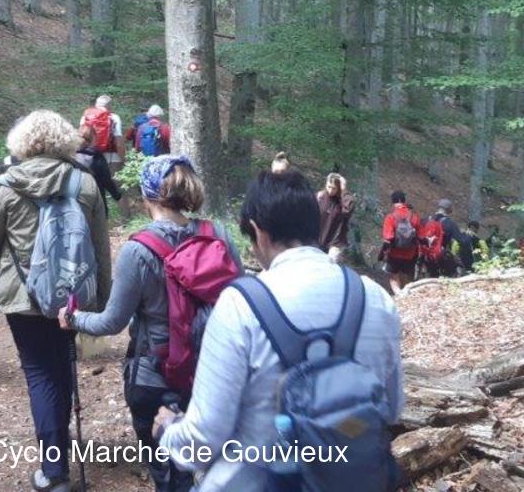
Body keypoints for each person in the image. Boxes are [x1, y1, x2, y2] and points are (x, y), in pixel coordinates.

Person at [154, 170, 403, 492]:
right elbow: (391, 409)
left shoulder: (240, 305)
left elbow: (201, 442)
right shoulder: (376, 299)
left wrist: (169, 430)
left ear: (258, 231)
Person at [58, 155, 239, 492]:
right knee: (212, 466)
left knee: (166, 472)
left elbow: (112, 322)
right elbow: (240, 302)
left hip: (155, 376)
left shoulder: (138, 250)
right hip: (214, 373)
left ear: (147, 196)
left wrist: (74, 318)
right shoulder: (218, 236)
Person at [0, 111, 112, 492]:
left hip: (21, 297)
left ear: (23, 141)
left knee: (39, 373)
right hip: (70, 296)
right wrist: (103, 297)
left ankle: (54, 470)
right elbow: (100, 247)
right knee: (61, 367)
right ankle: (58, 449)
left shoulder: (7, 184)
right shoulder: (84, 183)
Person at [380, 190, 422, 294]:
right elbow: (420, 236)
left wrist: (382, 253)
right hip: (410, 253)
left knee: (393, 276)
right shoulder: (414, 217)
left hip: (394, 253)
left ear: (393, 201)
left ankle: (399, 294)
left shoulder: (390, 217)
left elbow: (388, 238)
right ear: (404, 200)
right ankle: (407, 294)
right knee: (407, 276)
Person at [77, 123, 123, 210]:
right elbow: (106, 180)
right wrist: (117, 195)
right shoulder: (96, 156)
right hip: (96, 200)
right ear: (93, 139)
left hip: (75, 202)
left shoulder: (70, 156)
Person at [316, 172, 355, 263]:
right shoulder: (320, 197)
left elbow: (348, 209)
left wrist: (344, 190)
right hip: (317, 239)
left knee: (329, 265)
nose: (330, 190)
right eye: (329, 187)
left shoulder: (343, 201)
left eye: (334, 188)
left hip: (335, 243)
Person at [80, 94, 126, 169]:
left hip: (89, 156)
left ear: (96, 105)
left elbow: (81, 138)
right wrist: (123, 159)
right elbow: (119, 143)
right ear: (109, 106)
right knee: (110, 176)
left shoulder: (86, 117)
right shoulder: (114, 117)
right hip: (110, 158)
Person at [422, 199, 461, 278]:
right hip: (442, 257)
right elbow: (457, 242)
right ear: (449, 209)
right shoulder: (451, 223)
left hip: (427, 256)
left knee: (431, 277)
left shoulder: (426, 220)